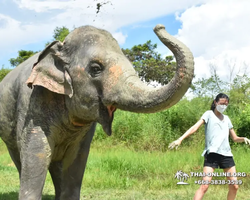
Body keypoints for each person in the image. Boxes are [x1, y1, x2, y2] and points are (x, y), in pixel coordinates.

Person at [168, 93, 250, 200]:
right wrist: (180, 139)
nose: (223, 106)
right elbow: (195, 128)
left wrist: (243, 139)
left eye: (226, 104)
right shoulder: (209, 114)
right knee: (205, 186)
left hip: (226, 155)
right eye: (221, 103)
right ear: (215, 102)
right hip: (212, 154)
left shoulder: (227, 119)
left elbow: (234, 138)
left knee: (234, 186)